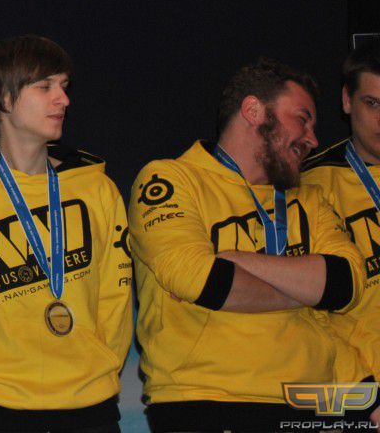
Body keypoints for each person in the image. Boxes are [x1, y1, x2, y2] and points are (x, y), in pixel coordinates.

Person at [128, 59, 366, 432]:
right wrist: (305, 291)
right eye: (302, 119)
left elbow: (345, 284)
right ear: (253, 111)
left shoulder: (308, 198)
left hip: (313, 401)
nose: (313, 139)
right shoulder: (171, 178)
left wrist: (238, 261)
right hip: (208, 400)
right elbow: (203, 280)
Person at [0, 36, 132, 432]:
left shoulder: (96, 188)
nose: (64, 99)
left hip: (90, 408)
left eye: (64, 86)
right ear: (0, 99)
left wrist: (94, 378)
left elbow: (116, 302)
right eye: (45, 86)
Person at [301, 39, 380, 428]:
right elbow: (303, 308)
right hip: (365, 396)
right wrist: (364, 390)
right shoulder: (309, 186)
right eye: (373, 104)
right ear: (347, 101)